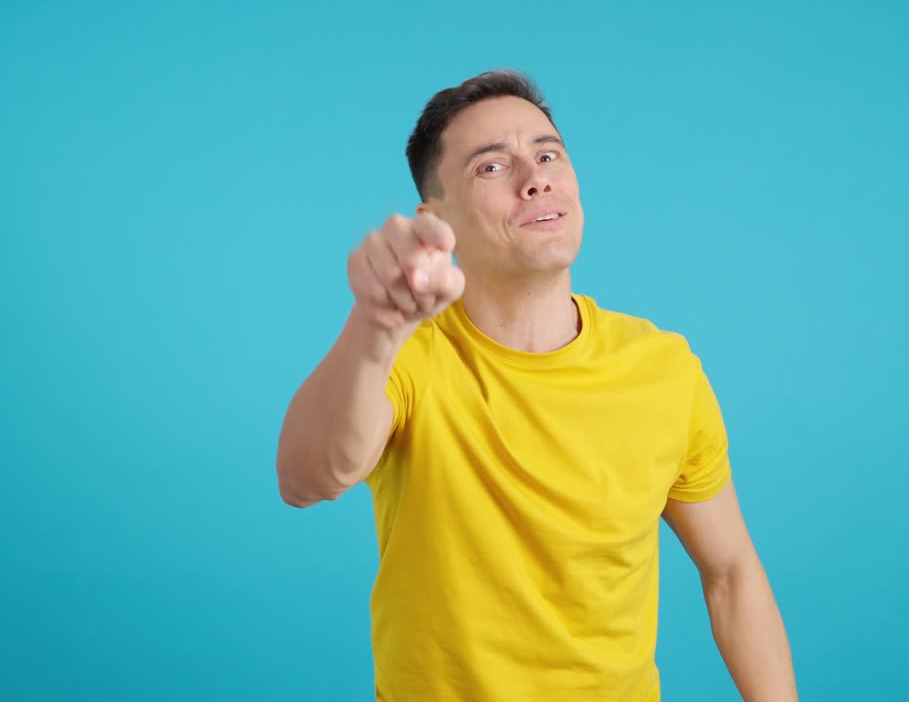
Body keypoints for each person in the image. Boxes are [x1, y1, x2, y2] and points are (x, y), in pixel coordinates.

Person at [276, 69, 798, 702]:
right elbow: (306, 479)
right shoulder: (406, 354)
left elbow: (730, 573)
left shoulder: (664, 368)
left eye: (548, 154)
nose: (536, 178)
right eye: (491, 168)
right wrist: (375, 324)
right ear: (436, 218)